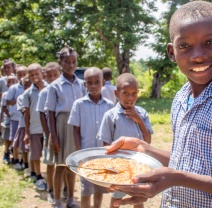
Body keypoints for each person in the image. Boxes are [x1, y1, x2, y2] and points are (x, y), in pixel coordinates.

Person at [105, 1, 212, 207]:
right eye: (184, 46)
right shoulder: (181, 98)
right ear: (172, 52)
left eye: (210, 42)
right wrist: (145, 149)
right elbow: (185, 162)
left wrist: (178, 178)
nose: (198, 55)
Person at [98, 73, 153, 208]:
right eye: (126, 93)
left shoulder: (142, 113)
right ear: (116, 93)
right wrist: (109, 169)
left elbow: (148, 141)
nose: (130, 98)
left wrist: (139, 120)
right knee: (116, 199)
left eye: (134, 93)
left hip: (138, 165)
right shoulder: (110, 116)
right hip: (118, 167)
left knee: (138, 199)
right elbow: (106, 145)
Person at [45, 45, 86, 208]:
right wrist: (53, 136)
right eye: (67, 62)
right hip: (61, 127)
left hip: (77, 126)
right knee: (60, 166)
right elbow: (50, 112)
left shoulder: (81, 84)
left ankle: (70, 198)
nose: (71, 65)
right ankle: (57, 199)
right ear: (60, 63)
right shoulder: (55, 86)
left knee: (72, 165)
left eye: (73, 62)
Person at [68, 67, 114, 208]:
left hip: (103, 154)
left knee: (99, 186)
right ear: (85, 84)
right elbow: (76, 130)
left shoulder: (110, 105)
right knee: (86, 189)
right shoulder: (79, 104)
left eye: (97, 82)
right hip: (86, 155)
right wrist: (79, 152)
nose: (93, 86)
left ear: (103, 83)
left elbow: (112, 131)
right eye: (90, 83)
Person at [36, 62, 61, 204]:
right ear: (45, 76)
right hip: (51, 134)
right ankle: (51, 190)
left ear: (60, 74)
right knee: (51, 163)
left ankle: (61, 189)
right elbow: (42, 114)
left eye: (55, 75)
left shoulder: (63, 90)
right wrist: (48, 135)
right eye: (49, 75)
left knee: (63, 164)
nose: (52, 78)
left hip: (63, 132)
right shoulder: (44, 92)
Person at [22, 63, 47, 191]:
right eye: (31, 75)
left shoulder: (50, 88)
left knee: (50, 155)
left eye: (36, 73)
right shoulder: (28, 93)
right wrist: (26, 132)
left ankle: (51, 177)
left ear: (42, 73)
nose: (34, 76)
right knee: (36, 154)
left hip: (49, 129)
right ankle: (38, 176)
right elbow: (26, 114)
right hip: (35, 128)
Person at [6, 65, 28, 170]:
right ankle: (15, 159)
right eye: (19, 74)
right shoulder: (14, 88)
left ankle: (25, 161)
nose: (22, 76)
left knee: (24, 142)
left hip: (26, 120)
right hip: (15, 117)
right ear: (16, 75)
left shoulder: (30, 86)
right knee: (15, 140)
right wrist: (18, 100)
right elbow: (7, 102)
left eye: (24, 74)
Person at [13, 75, 32, 178]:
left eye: (30, 84)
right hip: (23, 125)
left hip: (34, 126)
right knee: (24, 147)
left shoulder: (35, 95)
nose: (28, 86)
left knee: (31, 149)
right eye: (25, 84)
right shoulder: (21, 97)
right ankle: (25, 165)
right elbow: (23, 111)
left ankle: (31, 167)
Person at [1, 74, 18, 164]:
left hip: (18, 118)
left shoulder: (19, 91)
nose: (11, 83)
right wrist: (9, 115)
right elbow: (4, 107)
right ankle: (6, 153)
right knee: (7, 137)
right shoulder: (5, 94)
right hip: (9, 119)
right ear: (6, 83)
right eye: (9, 81)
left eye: (13, 81)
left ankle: (16, 156)